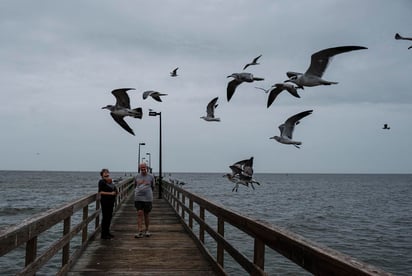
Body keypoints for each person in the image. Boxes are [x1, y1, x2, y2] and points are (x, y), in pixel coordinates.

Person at [134, 163, 155, 238]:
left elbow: (153, 186)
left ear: (146, 168)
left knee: (146, 214)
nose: (143, 169)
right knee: (139, 213)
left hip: (148, 198)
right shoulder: (136, 176)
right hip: (138, 198)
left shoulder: (151, 176)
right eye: (141, 168)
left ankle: (147, 230)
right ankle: (140, 231)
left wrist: (148, 192)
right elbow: (135, 185)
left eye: (144, 167)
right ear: (139, 168)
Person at [98, 168, 117, 239]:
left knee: (109, 217)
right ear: (102, 175)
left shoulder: (110, 182)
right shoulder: (101, 182)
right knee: (105, 218)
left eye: (107, 172)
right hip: (105, 202)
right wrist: (110, 193)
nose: (106, 174)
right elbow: (100, 192)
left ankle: (107, 232)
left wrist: (115, 192)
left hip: (111, 202)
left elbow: (114, 189)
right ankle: (103, 234)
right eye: (105, 173)